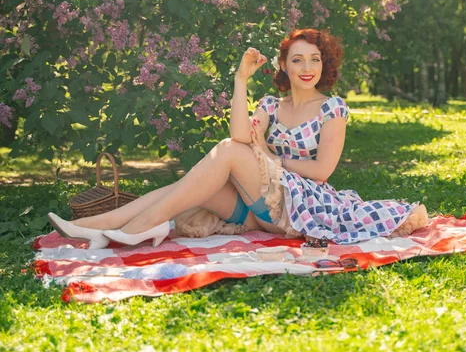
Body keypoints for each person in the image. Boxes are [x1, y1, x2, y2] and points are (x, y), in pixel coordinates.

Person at [47, 28, 427, 249]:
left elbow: (323, 169)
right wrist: (240, 80)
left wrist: (268, 157)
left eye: (314, 59)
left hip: (302, 205)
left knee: (230, 153)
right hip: (256, 210)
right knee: (187, 185)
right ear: (284, 66)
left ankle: (129, 232)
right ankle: (99, 229)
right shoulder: (271, 104)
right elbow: (238, 133)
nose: (307, 67)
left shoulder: (333, 109)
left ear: (323, 64)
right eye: (298, 59)